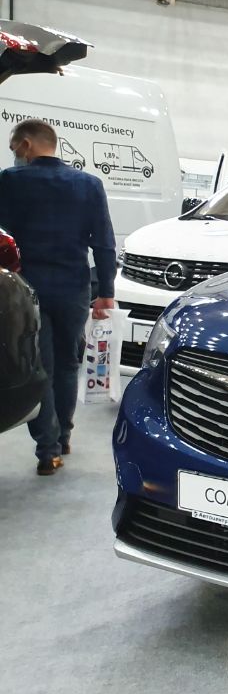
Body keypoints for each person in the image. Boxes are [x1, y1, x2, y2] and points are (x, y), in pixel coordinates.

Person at [0, 119, 116, 476]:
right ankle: (63, 435)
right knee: (67, 364)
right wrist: (106, 293)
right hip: (73, 288)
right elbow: (104, 243)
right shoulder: (89, 184)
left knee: (41, 367)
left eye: (14, 147)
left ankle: (47, 450)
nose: (14, 154)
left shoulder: (9, 180)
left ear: (26, 145)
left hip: (26, 290)